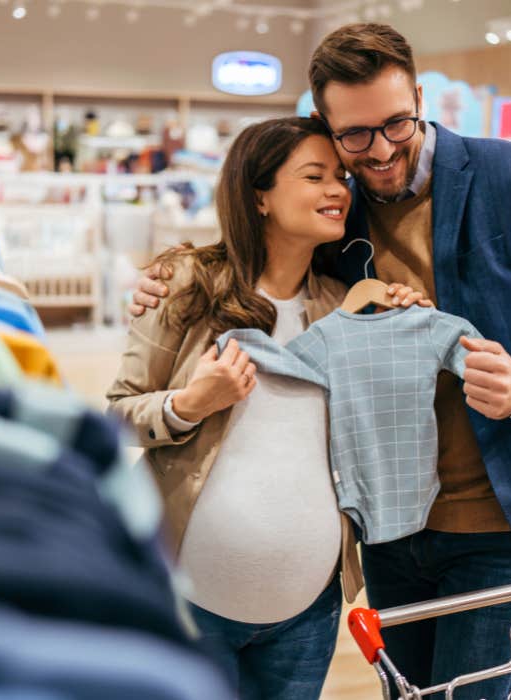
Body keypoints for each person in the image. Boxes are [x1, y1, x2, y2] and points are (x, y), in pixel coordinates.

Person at [129, 24, 511, 700]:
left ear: (420, 98)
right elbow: (265, 242)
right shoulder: (341, 211)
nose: (383, 148)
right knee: (406, 693)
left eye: (398, 122)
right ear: (329, 129)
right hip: (388, 525)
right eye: (357, 136)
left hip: (496, 519)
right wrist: (174, 272)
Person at [106, 116, 426, 700]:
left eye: (340, 178)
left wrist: (403, 318)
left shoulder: (348, 308)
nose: (338, 190)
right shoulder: (186, 284)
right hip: (187, 599)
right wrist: (189, 404)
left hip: (308, 607)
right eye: (315, 176)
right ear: (260, 196)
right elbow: (117, 413)